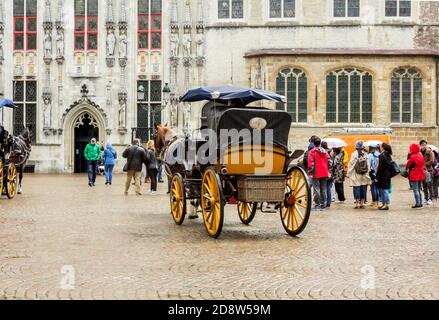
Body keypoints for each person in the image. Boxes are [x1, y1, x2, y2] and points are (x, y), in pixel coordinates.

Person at [347, 141, 371, 209]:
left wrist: (348, 172)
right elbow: (368, 164)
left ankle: (357, 203)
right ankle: (362, 203)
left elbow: (351, 164)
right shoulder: (366, 154)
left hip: (356, 173)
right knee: (364, 187)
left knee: (356, 187)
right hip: (364, 173)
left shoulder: (354, 154)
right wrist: (367, 172)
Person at [307, 137, 329, 211]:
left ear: (313, 143)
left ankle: (317, 205)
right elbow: (329, 162)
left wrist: (310, 171)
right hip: (325, 172)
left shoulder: (313, 151)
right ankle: (323, 204)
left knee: (316, 189)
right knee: (323, 189)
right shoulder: (325, 151)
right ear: (320, 143)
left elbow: (310, 164)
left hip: (316, 173)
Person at [407, 143, 426, 208]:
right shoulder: (420, 154)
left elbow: (408, 165)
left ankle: (418, 203)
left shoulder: (413, 156)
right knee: (419, 189)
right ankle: (420, 203)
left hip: (415, 174)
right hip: (420, 173)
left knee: (415, 190)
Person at [376, 143, 393, 211]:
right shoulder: (388, 155)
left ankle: (385, 204)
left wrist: (377, 177)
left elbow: (380, 167)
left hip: (382, 175)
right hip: (387, 175)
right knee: (384, 190)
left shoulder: (382, 156)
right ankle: (384, 204)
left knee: (384, 190)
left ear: (383, 148)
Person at [420, 140, 436, 205]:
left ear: (426, 145)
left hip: (429, 170)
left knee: (430, 185)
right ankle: (426, 198)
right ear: (420, 145)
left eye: (425, 144)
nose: (423, 146)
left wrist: (423, 164)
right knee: (424, 186)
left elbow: (432, 161)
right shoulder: (419, 152)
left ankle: (431, 198)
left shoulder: (430, 152)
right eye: (422, 144)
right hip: (422, 171)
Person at [322, 141, 333, 208]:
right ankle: (329, 202)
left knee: (324, 188)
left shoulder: (322, 153)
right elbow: (332, 163)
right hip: (330, 173)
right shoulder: (331, 153)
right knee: (329, 188)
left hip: (325, 172)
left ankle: (325, 202)